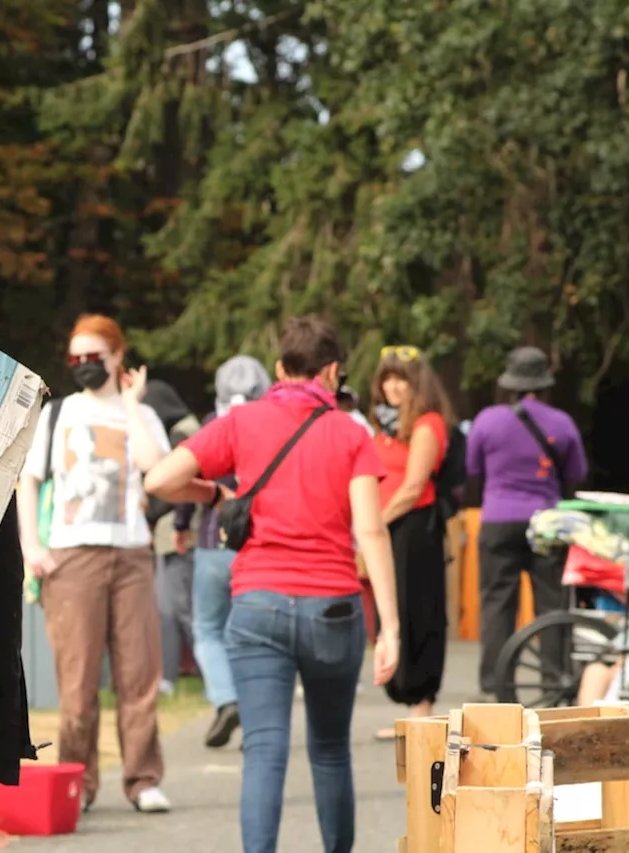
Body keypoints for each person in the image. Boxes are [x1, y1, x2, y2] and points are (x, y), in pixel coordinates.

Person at [144, 315, 400, 853]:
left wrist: (216, 496)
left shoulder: (242, 422)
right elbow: (371, 530)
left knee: (264, 750)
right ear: (332, 372)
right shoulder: (351, 433)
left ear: (280, 368)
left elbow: (159, 480)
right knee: (330, 751)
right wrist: (391, 630)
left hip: (257, 604)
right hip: (333, 607)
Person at [17, 314, 173, 814]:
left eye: (94, 358)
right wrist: (31, 547)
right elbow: (29, 481)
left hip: (131, 553)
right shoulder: (58, 414)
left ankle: (143, 778)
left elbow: (157, 470)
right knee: (78, 681)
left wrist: (130, 403)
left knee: (139, 673)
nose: (84, 366)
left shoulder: (140, 415)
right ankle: (77, 785)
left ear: (116, 357)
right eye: (76, 359)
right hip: (71, 554)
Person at [468, 346, 587, 699]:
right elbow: (575, 475)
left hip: (498, 520)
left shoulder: (486, 421)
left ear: (510, 384)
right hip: (546, 523)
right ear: (545, 384)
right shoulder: (562, 423)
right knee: (551, 605)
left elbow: (473, 474)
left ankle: (498, 685)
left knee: (497, 603)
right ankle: (554, 683)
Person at [172, 354, 272, 749]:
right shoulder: (273, 429)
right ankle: (256, 720)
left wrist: (181, 526)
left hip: (215, 542)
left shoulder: (213, 426)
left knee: (209, 630)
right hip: (259, 545)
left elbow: (185, 478)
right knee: (253, 636)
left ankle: (226, 700)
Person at [369, 345, 454, 736]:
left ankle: (422, 705)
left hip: (414, 529)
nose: (392, 386)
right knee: (392, 611)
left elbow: (414, 485)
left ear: (415, 384)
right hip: (386, 529)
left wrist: (375, 523)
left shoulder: (427, 423)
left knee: (418, 611)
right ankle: (404, 706)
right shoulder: (382, 427)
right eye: (387, 377)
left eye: (400, 378)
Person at [141, 379, 202, 697]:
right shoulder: (187, 426)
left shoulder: (182, 433)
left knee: (179, 606)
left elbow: (177, 486)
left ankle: (211, 674)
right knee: (172, 604)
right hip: (177, 531)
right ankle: (172, 675)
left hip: (180, 531)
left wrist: (147, 514)